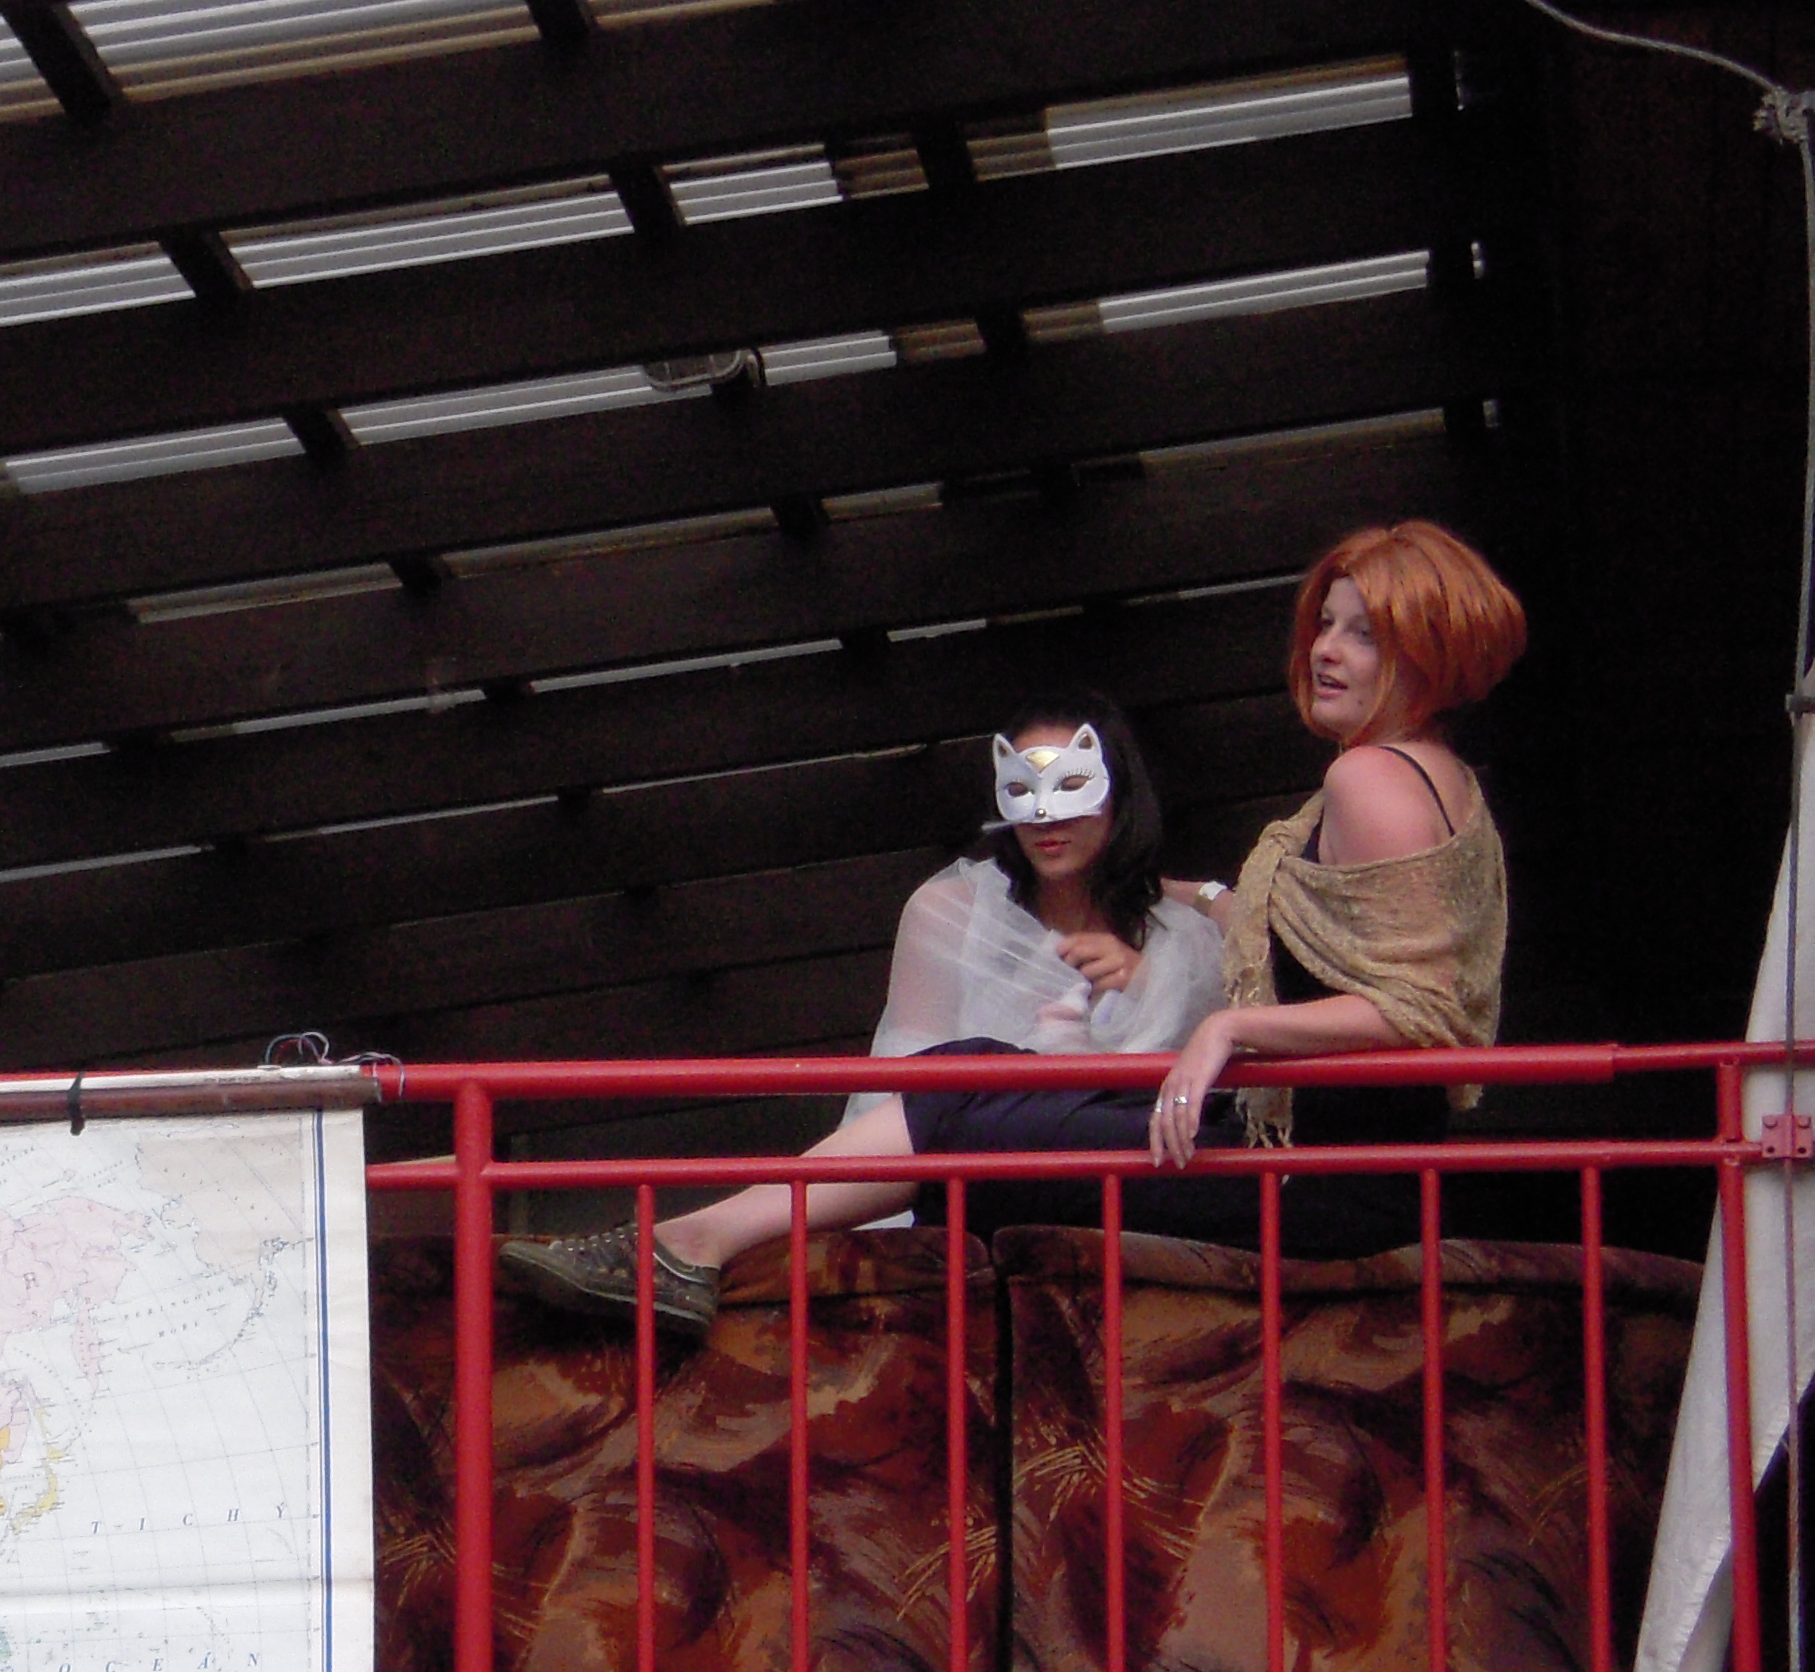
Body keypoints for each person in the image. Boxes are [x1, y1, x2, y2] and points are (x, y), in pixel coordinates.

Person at [510, 524, 1526, 1337]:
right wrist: (1198, 895)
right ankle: (694, 1243)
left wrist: (1231, 1029)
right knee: (977, 1075)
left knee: (962, 1100)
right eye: (1327, 624)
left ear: (1431, 649)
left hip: (1319, 1190)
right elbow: (1334, 934)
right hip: (1317, 1169)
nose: (1327, 650)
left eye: (1365, 635)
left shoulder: (1368, 779)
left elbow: (1424, 1015)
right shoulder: (1436, 779)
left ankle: (690, 1245)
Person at [502, 691, 1226, 1332]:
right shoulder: (951, 911)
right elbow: (902, 1086)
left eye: (1073, 785)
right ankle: (689, 1243)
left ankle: (687, 1241)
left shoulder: (1180, 935)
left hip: (1127, 1174)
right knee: (960, 1075)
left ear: (1119, 792)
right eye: (1023, 788)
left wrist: (1169, 938)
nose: (1046, 814)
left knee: (968, 1077)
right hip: (967, 1184)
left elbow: (1244, 958)